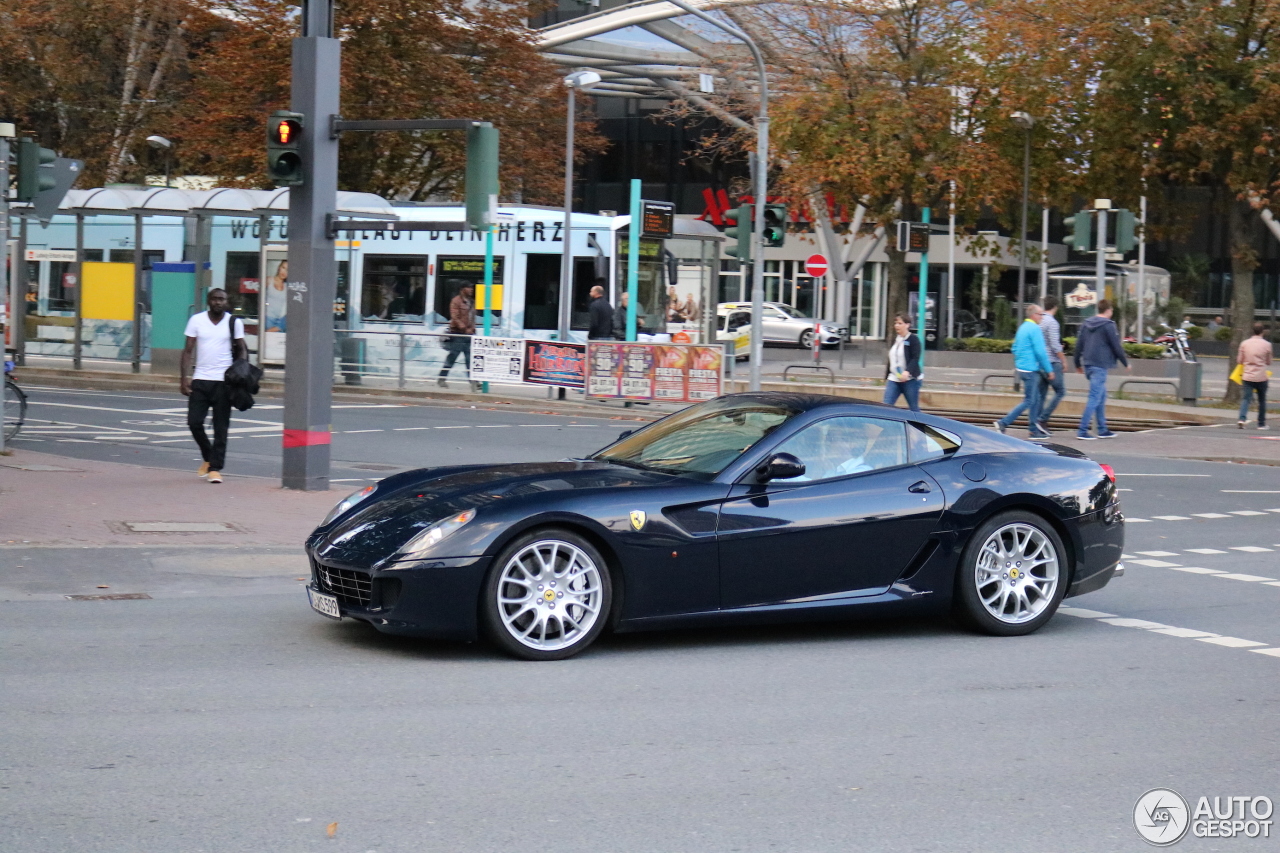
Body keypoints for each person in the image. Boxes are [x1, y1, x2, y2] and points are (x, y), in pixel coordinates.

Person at [181, 289, 247, 484]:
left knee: (221, 427)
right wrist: (183, 378)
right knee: (194, 422)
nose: (218, 302)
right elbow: (187, 350)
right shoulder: (197, 320)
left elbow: (241, 347)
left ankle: (215, 469)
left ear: (226, 302)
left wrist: (240, 371)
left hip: (223, 382)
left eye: (222, 299)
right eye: (215, 299)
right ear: (209, 301)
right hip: (200, 379)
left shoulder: (233, 322)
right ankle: (209, 457)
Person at [994, 303, 1054, 439]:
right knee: (1029, 400)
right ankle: (1003, 423)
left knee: (1036, 399)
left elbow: (1014, 348)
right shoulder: (1034, 329)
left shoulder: (1023, 328)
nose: (1042, 318)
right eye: (1040, 315)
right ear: (1033, 315)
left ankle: (1033, 429)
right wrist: (1049, 370)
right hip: (1030, 370)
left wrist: (1021, 360)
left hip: (1022, 368)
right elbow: (1041, 352)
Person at [1074, 299, 1131, 440]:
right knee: (1094, 397)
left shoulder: (1086, 324)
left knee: (1101, 395)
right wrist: (1125, 363)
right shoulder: (1108, 325)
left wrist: (1077, 364)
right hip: (1100, 365)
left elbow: (1079, 345)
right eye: (1111, 310)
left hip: (1088, 364)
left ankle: (1102, 429)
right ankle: (1082, 430)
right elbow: (1116, 346)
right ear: (1108, 310)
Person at [438, 283, 476, 388]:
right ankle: (442, 378)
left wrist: (472, 329)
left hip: (468, 335)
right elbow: (455, 317)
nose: (471, 289)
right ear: (462, 289)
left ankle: (473, 382)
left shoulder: (471, 302)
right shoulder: (456, 301)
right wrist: (464, 328)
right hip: (458, 334)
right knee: (452, 357)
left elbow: (472, 318)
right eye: (469, 287)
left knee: (469, 358)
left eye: (472, 288)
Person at [883, 313, 922, 412]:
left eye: (900, 323)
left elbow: (915, 358)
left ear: (907, 325)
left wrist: (907, 372)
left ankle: (919, 426)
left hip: (910, 380)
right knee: (886, 406)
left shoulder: (913, 339)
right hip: (894, 378)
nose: (897, 326)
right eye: (896, 323)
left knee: (913, 408)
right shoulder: (895, 339)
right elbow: (892, 357)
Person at [1038, 296, 1066, 430]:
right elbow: (1055, 345)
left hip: (1040, 362)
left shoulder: (1039, 320)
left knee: (1041, 394)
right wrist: (1063, 360)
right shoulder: (1053, 323)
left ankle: (1037, 423)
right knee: (1060, 391)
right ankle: (1042, 419)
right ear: (1056, 307)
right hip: (1052, 362)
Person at [1238, 322, 1273, 429]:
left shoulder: (1244, 343)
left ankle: (1242, 419)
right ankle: (1261, 423)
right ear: (1263, 332)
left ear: (1252, 331)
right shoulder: (1267, 345)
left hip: (1247, 375)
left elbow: (1239, 360)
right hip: (1261, 376)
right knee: (1262, 400)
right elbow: (1269, 362)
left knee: (1246, 399)